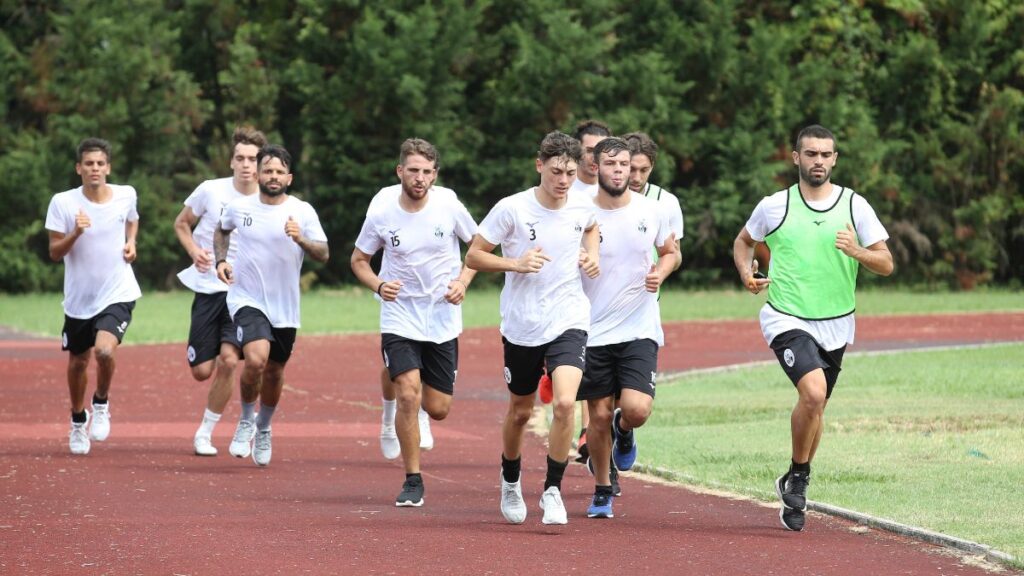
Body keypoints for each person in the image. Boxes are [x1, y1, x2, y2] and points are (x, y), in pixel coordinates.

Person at [732, 125, 893, 531]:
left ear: (834, 159)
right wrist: (746, 273)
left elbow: (886, 263)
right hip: (786, 316)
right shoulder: (774, 205)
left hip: (837, 323)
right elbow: (743, 241)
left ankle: (795, 474)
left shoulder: (855, 205)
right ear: (796, 158)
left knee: (815, 406)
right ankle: (800, 479)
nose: (818, 161)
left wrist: (855, 250)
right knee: (814, 391)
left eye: (825, 154)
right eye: (810, 154)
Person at [465, 131, 600, 525]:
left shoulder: (581, 204)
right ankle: (510, 478)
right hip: (523, 323)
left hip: (569, 316)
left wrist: (591, 256)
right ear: (539, 165)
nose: (563, 181)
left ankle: (553, 490)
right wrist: (516, 264)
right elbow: (473, 256)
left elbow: (591, 227)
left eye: (571, 173)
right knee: (521, 412)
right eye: (556, 171)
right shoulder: (512, 209)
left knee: (563, 403)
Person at [351, 138, 478, 507]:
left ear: (434, 175)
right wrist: (378, 284)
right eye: (413, 171)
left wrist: (462, 282)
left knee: (437, 408)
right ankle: (412, 479)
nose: (419, 178)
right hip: (400, 312)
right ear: (400, 172)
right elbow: (359, 260)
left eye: (426, 172)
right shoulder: (381, 208)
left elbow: (479, 248)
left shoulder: (449, 203)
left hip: (441, 314)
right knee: (407, 390)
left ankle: (415, 406)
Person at [577, 137, 678, 519]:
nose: (620, 171)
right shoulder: (578, 210)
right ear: (596, 167)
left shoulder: (651, 210)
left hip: (639, 325)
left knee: (635, 409)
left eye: (625, 164)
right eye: (611, 164)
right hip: (591, 327)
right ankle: (602, 487)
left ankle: (626, 428)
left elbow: (671, 252)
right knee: (597, 416)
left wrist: (660, 272)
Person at [215, 144, 329, 467]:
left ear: (288, 177)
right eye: (268, 170)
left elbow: (323, 253)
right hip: (246, 298)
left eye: (279, 171)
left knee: (275, 371)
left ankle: (264, 427)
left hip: (285, 307)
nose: (273, 176)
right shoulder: (240, 207)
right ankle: (246, 419)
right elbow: (221, 229)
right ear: (259, 174)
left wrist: (301, 239)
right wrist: (221, 261)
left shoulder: (302, 212)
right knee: (255, 359)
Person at [173, 126, 267, 456]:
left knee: (229, 361)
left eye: (253, 159)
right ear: (231, 162)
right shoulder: (210, 191)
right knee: (202, 371)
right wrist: (193, 251)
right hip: (207, 289)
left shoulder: (268, 201)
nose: (246, 165)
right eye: (240, 158)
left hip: (242, 294)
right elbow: (181, 223)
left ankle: (205, 432)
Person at [45, 138, 142, 455]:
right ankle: (77, 420)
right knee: (77, 363)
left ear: (108, 167)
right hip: (79, 299)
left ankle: (101, 403)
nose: (95, 169)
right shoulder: (63, 202)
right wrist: (76, 232)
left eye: (100, 163)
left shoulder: (126, 194)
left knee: (103, 351)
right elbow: (55, 253)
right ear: (78, 169)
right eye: (89, 164)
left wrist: (131, 242)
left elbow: (132, 218)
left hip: (118, 290)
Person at [622, 131, 684, 267]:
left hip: (647, 287)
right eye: (631, 169)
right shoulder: (601, 198)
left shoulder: (667, 202)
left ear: (652, 166)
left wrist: (670, 256)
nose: (637, 178)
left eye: (644, 170)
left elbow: (676, 258)